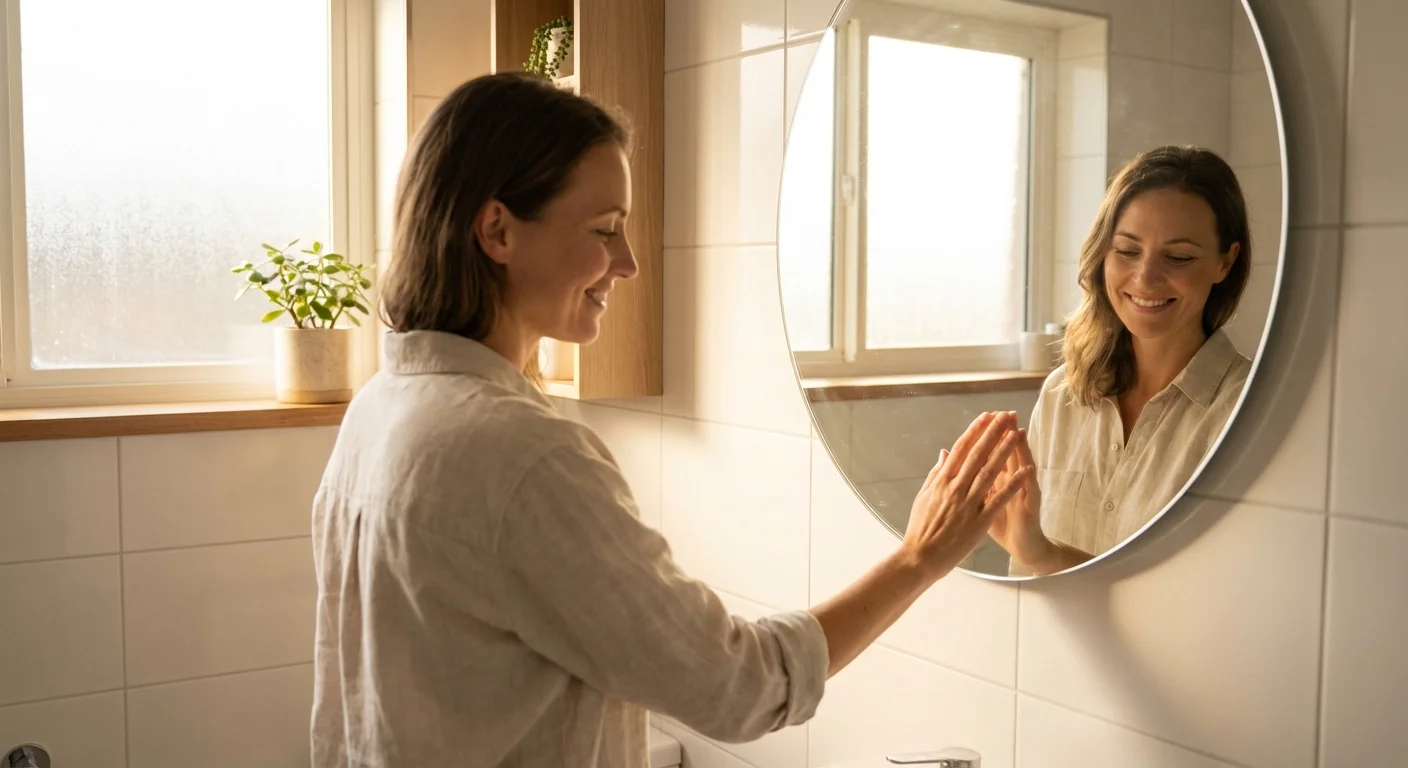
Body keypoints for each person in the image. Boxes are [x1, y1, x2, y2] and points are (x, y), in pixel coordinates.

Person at [309, 72, 1032, 768]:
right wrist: (917, 559)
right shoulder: (523, 454)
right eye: (605, 229)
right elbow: (741, 689)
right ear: (497, 229)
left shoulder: (383, 406)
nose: (627, 262)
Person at [987, 145, 1252, 576]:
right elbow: (1024, 576)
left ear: (1226, 261)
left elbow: (1210, 593)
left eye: (1179, 257)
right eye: (1127, 250)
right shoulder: (1061, 395)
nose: (1145, 278)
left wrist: (1045, 555)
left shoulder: (1247, 410)